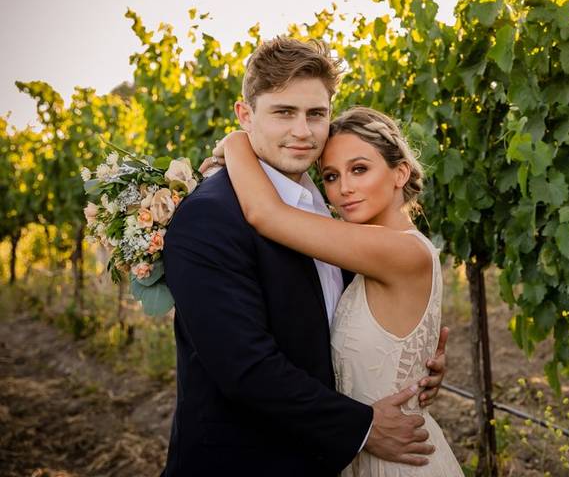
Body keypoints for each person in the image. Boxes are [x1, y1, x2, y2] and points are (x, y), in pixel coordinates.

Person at [162, 37, 446, 477]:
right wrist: (364, 428)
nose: (303, 130)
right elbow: (246, 368)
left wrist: (411, 366)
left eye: (316, 114)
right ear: (245, 115)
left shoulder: (336, 215)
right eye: (283, 112)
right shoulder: (208, 217)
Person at [216, 106, 465, 477]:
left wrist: (238, 139)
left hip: (399, 461)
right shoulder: (367, 253)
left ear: (401, 172)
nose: (343, 188)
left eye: (359, 169)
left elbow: (266, 215)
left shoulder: (399, 250)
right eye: (330, 176)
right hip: (366, 449)